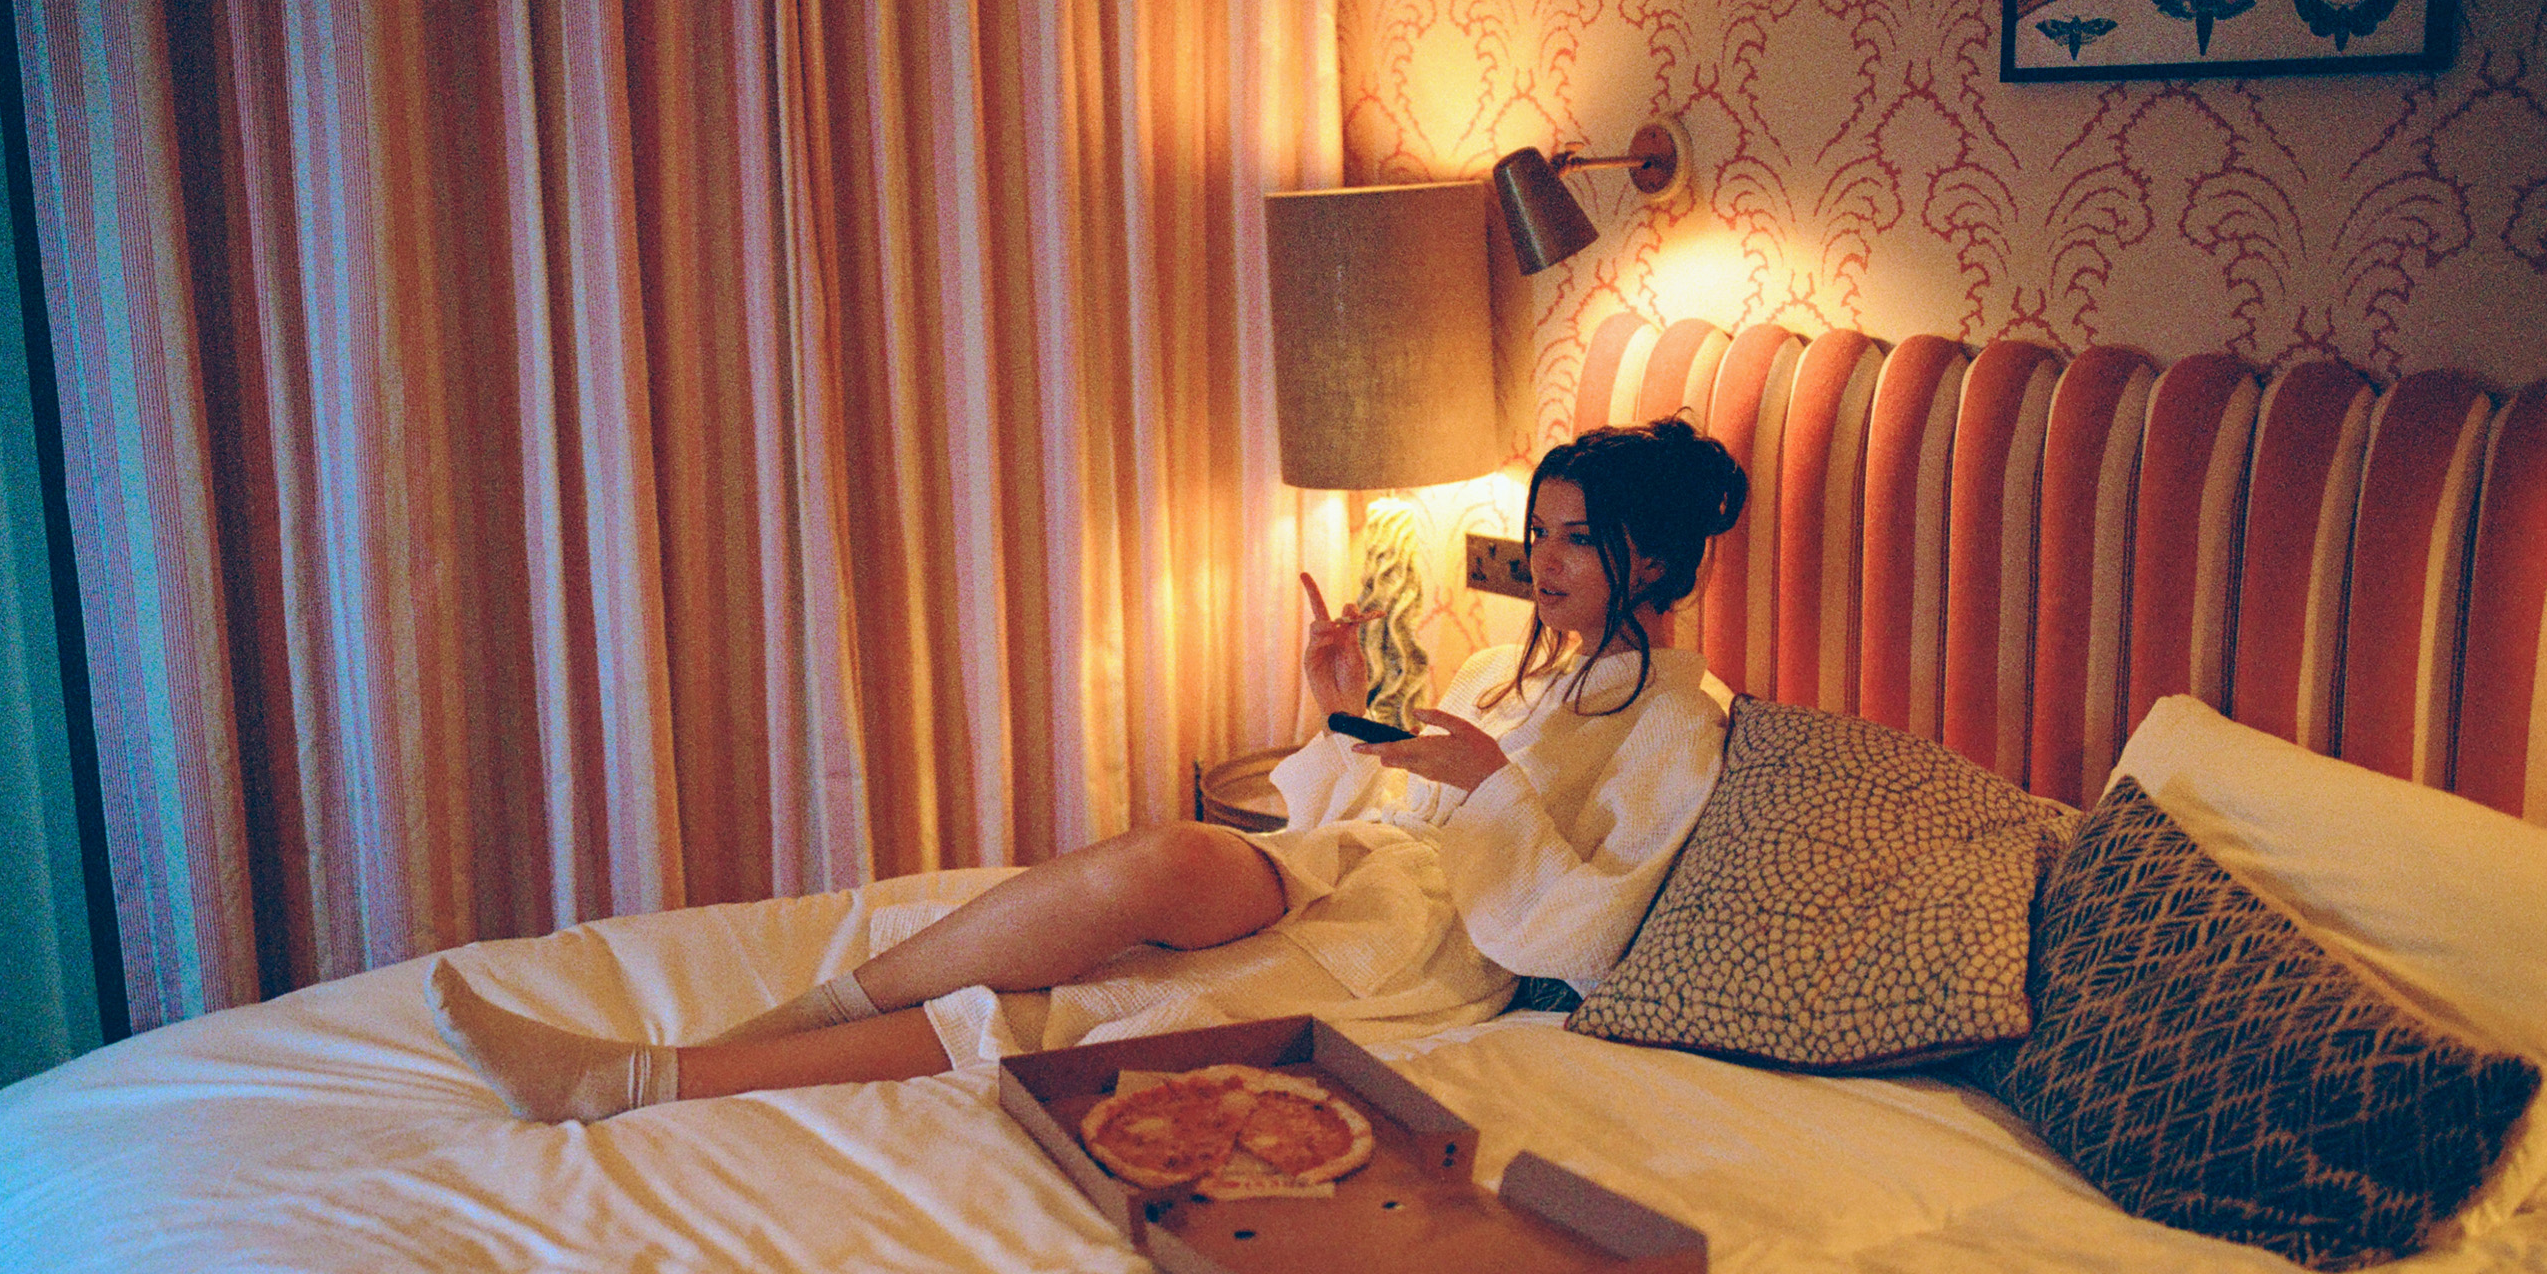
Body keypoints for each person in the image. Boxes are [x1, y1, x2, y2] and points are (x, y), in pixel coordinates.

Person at [430, 417, 1751, 1121]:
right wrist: (1342, 717)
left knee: (1075, 1015)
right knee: (1167, 857)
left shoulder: (1684, 722)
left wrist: (1495, 793)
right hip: (1340, 873)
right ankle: (770, 1025)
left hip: (1425, 950)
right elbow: (1393, 790)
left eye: (1577, 543)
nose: (1546, 563)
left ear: (1653, 557)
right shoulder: (1504, 673)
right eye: (1543, 534)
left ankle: (649, 1080)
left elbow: (1586, 940)